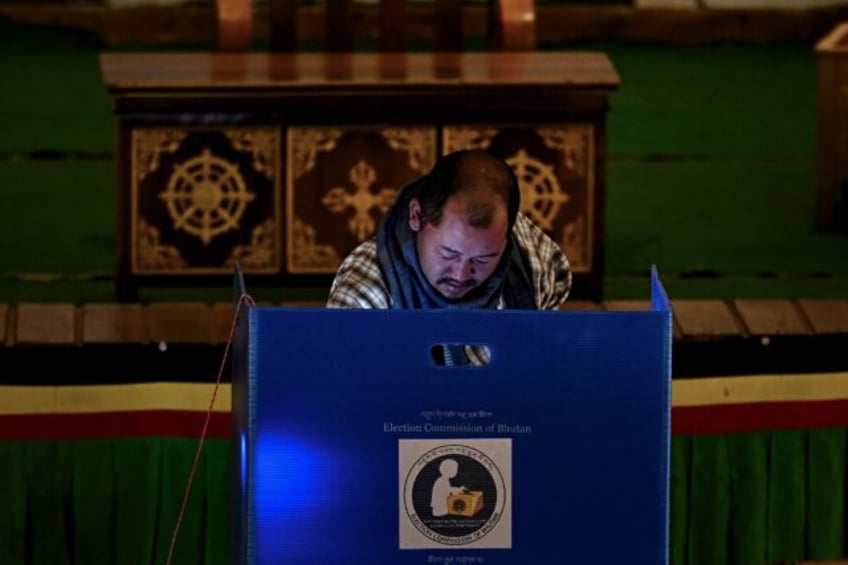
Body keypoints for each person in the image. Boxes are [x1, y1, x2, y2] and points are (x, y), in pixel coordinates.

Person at [326, 149, 571, 363]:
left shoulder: (530, 257)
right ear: (416, 216)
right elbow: (345, 392)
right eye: (448, 254)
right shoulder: (363, 295)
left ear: (509, 234)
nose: (461, 274)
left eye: (482, 260)